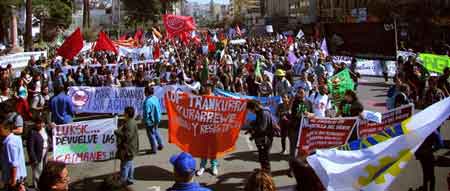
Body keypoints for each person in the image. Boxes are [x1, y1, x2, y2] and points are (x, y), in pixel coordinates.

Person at [0, 113, 27, 190]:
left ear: (5, 129)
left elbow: (14, 164)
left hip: (14, 179)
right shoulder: (16, 138)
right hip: (19, 176)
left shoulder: (9, 143)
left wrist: (13, 181)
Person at [197, 83, 219, 176]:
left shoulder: (217, 99)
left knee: (213, 148)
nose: (207, 88)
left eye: (209, 87)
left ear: (211, 88)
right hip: (203, 127)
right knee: (204, 147)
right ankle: (202, 166)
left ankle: (214, 166)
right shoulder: (201, 98)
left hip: (213, 127)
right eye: (206, 87)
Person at [247, 100, 274, 172]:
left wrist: (253, 131)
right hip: (263, 138)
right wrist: (253, 123)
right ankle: (264, 171)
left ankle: (266, 175)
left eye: (251, 110)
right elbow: (259, 123)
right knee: (262, 157)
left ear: (255, 107)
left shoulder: (263, 113)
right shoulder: (260, 112)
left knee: (264, 158)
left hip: (265, 139)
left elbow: (262, 128)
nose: (251, 112)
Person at [115, 106, 139, 185]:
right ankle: (130, 178)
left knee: (125, 166)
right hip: (131, 148)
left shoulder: (129, 124)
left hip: (128, 149)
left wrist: (117, 132)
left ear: (127, 114)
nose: (123, 114)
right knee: (130, 164)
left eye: (124, 112)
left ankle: (123, 180)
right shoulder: (131, 121)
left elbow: (127, 136)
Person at [290, 89, 313, 159]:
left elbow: (313, 114)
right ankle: (292, 162)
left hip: (305, 128)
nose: (300, 94)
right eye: (299, 92)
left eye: (302, 92)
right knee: (293, 145)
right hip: (296, 127)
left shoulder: (309, 102)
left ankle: (302, 160)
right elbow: (293, 114)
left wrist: (308, 114)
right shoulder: (295, 102)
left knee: (304, 145)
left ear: (305, 93)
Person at [26, 118, 49, 188]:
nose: (40, 125)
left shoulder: (44, 129)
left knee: (43, 169)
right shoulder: (32, 132)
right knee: (37, 171)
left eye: (42, 123)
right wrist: (34, 158)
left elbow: (48, 138)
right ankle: (37, 187)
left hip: (45, 153)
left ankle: (42, 184)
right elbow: (30, 147)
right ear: (35, 124)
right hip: (37, 155)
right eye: (38, 123)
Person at [143, 85, 164, 154]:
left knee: (151, 134)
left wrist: (145, 120)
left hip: (150, 121)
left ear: (146, 93)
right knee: (156, 131)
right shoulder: (155, 98)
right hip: (157, 118)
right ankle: (161, 144)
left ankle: (154, 148)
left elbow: (146, 113)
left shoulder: (147, 101)